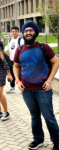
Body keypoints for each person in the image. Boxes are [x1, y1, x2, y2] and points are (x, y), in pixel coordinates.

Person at [13, 20, 59, 150]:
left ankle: (57, 141)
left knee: (48, 116)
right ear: (23, 33)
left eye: (30, 30)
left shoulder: (44, 47)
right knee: (34, 116)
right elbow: (16, 66)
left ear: (35, 32)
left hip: (43, 90)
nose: (28, 32)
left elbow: (56, 62)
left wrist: (50, 81)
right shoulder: (20, 49)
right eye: (26, 30)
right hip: (26, 90)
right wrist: (17, 80)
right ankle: (38, 140)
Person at [6, 26, 24, 93]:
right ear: (11, 32)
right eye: (13, 32)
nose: (14, 33)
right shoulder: (10, 40)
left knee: (20, 74)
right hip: (11, 60)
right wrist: (8, 59)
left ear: (18, 32)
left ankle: (22, 87)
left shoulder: (21, 40)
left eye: (16, 31)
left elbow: (23, 50)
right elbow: (9, 50)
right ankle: (12, 87)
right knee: (12, 74)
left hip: (19, 61)